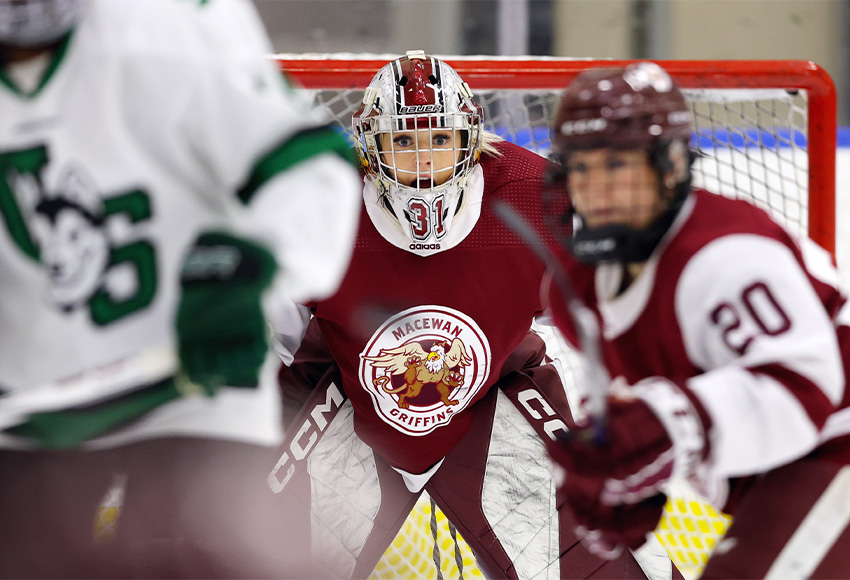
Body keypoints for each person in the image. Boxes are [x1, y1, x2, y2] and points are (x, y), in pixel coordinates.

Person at [271, 50, 672, 579]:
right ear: (370, 147)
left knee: (609, 566)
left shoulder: (542, 200)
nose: (422, 160)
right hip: (344, 384)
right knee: (242, 553)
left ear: (470, 141)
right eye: (403, 141)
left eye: (439, 140)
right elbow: (268, 331)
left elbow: (616, 311)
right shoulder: (319, 204)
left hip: (493, 388)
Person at [0, 0, 361, 577]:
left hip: (191, 396)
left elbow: (310, 169)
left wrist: (251, 265)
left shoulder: (169, 25)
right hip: (32, 417)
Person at [539, 61, 850, 578]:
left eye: (617, 165)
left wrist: (666, 426)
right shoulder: (579, 287)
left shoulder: (723, 253)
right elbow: (624, 408)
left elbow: (804, 392)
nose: (595, 189)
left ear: (672, 164)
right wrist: (617, 477)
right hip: (777, 473)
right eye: (581, 167)